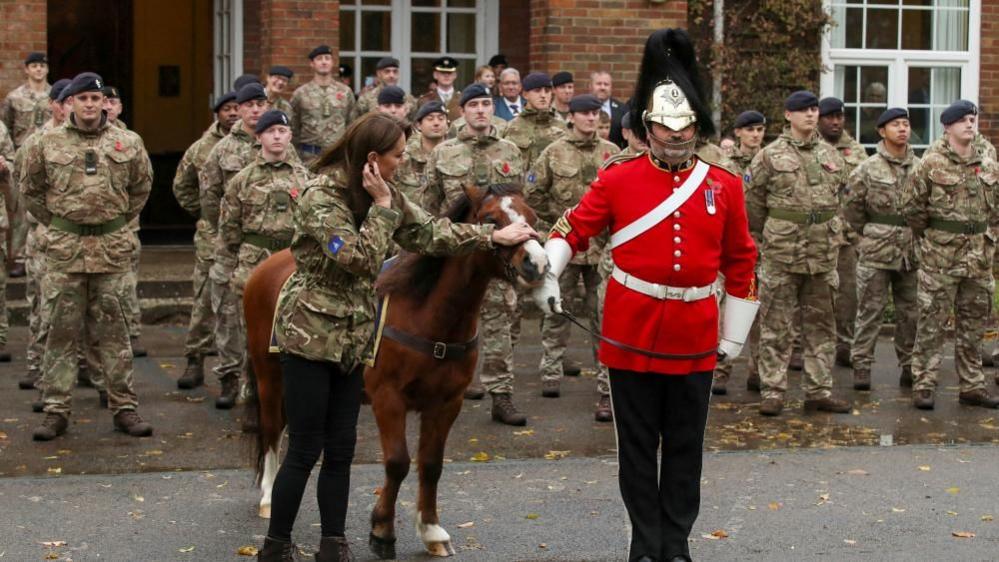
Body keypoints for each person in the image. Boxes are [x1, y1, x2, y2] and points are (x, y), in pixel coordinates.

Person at [256, 112, 536, 561]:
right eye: (398, 156)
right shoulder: (320, 198)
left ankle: (333, 543)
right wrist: (384, 209)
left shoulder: (383, 192)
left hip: (354, 337)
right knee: (305, 447)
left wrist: (493, 237)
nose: (403, 164)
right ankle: (276, 546)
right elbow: (358, 258)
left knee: (342, 448)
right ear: (372, 159)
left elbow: (430, 232)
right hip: (309, 336)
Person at [532, 29, 757, 561]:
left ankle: (675, 542)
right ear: (647, 129)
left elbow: (743, 260)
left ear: (697, 127)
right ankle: (644, 540)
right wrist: (550, 274)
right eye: (664, 128)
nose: (676, 138)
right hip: (629, 329)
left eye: (685, 129)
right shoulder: (617, 178)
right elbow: (572, 229)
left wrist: (734, 333)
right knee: (635, 449)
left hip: (696, 331)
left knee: (685, 448)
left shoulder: (724, 184)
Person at [22, 72, 154, 441]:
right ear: (70, 104)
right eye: (82, 99)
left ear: (105, 104)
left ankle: (124, 408)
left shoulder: (127, 142)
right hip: (66, 251)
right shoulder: (45, 142)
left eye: (96, 99)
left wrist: (116, 221)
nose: (90, 105)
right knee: (60, 333)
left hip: (111, 250)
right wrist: (59, 223)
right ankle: (56, 410)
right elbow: (29, 188)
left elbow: (142, 187)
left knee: (115, 333)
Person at [745, 90, 853, 417]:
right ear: (788, 115)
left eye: (813, 109)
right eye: (802, 110)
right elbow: (753, 203)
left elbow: (842, 197)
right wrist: (773, 232)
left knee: (821, 325)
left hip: (822, 253)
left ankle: (818, 391)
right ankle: (773, 390)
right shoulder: (769, 155)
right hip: (782, 252)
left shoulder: (831, 155)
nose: (810, 114)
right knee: (776, 324)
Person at [422, 85, 526, 422]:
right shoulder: (444, 153)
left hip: (496, 256)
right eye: (473, 105)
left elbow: (517, 205)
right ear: (462, 111)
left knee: (499, 322)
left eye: (485, 104)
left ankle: (502, 394)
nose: (481, 110)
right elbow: (430, 206)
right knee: (447, 323)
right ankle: (443, 388)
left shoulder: (510, 150)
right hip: (457, 256)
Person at [525, 93, 619, 420]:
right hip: (566, 244)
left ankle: (607, 379)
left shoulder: (612, 153)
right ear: (572, 117)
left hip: (603, 248)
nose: (591, 118)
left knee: (603, 314)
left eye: (596, 113)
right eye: (585, 113)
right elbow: (533, 193)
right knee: (556, 308)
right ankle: (551, 370)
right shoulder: (554, 152)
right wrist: (553, 228)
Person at [902, 100, 999, 410]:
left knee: (973, 326)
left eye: (973, 119)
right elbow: (913, 209)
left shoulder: (988, 162)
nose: (970, 124)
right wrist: (935, 237)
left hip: (978, 259)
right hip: (940, 258)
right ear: (947, 126)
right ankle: (925, 384)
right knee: (931, 324)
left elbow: (994, 208)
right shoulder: (930, 163)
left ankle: (972, 384)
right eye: (962, 120)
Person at [217, 110, 310, 410]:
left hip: (294, 265)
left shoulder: (306, 179)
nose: (277, 136)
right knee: (253, 337)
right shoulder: (242, 181)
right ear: (259, 138)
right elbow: (229, 228)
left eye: (283, 131)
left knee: (296, 334)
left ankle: (292, 396)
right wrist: (234, 263)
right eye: (271, 131)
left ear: (290, 136)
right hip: (254, 263)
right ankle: (252, 393)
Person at [200, 82, 271, 409]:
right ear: (238, 110)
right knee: (228, 315)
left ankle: (257, 381)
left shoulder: (279, 141)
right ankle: (229, 378)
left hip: (270, 249)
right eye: (249, 105)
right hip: (234, 245)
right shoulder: (222, 150)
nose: (255, 110)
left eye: (260, 104)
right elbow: (209, 196)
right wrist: (228, 231)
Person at [843, 108, 919, 391]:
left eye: (906, 124)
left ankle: (910, 365)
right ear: (882, 131)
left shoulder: (921, 167)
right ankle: (861, 364)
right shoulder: (867, 168)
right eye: (895, 125)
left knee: (911, 313)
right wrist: (869, 234)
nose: (902, 129)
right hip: (876, 251)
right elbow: (851, 208)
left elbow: (925, 208)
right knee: (869, 311)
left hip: (910, 252)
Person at [171, 90, 240, 388]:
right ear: (218, 113)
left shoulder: (258, 143)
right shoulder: (201, 148)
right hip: (212, 237)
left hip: (246, 238)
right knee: (203, 301)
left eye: (238, 107)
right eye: (227, 109)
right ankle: (195, 359)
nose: (233, 113)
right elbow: (182, 186)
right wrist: (204, 214)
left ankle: (237, 370)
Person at [15, 79, 72, 395]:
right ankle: (38, 366)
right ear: (54, 104)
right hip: (42, 234)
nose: (67, 107)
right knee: (40, 304)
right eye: (62, 101)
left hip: (71, 239)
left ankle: (80, 368)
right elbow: (25, 189)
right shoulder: (37, 140)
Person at [711, 109, 765, 395]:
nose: (755, 135)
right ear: (739, 133)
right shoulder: (725, 164)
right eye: (750, 129)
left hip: (764, 245)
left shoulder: (770, 161)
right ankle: (721, 370)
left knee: (760, 309)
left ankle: (759, 370)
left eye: (759, 130)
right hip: (731, 246)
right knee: (727, 307)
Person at [818, 97, 867, 368]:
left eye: (840, 116)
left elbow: (864, 193)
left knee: (848, 296)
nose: (836, 122)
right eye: (829, 117)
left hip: (847, 238)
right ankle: (804, 347)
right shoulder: (809, 148)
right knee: (815, 296)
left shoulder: (857, 151)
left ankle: (844, 345)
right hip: (816, 236)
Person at [290, 45, 356, 164]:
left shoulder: (345, 92)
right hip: (309, 156)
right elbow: (294, 127)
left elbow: (351, 124)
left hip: (337, 156)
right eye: (319, 59)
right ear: (312, 63)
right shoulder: (301, 93)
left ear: (332, 62)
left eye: (327, 58)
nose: (324, 62)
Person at [501, 72, 566, 168]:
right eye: (537, 91)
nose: (543, 95)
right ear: (525, 94)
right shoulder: (511, 128)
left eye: (547, 91)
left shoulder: (563, 126)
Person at [395, 101, 448, 209]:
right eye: (430, 119)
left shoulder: (455, 156)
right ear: (418, 125)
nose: (436, 123)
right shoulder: (405, 157)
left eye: (441, 118)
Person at [1, 52, 51, 150]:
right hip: (22, 152)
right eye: (34, 66)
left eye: (42, 66)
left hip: (50, 152)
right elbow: (4, 128)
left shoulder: (55, 96)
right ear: (26, 69)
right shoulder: (14, 97)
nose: (39, 69)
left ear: (47, 69)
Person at [351, 57, 417, 122]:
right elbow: (356, 123)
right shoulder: (366, 99)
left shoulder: (408, 99)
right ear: (379, 74)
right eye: (387, 72)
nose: (392, 75)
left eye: (395, 71)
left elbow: (414, 124)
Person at [417, 56, 462, 121]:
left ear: (455, 75)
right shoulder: (424, 100)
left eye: (449, 73)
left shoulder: (463, 99)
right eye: (442, 72)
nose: (446, 75)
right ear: (435, 75)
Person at [590, 70, 627, 148]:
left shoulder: (622, 109)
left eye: (606, 84)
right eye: (599, 84)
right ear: (590, 86)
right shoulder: (582, 108)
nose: (602, 87)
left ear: (611, 87)